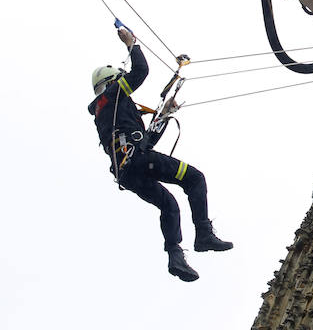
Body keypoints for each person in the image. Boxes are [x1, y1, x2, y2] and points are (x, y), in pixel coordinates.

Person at [89, 27, 232, 282]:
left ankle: (175, 256)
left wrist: (164, 114)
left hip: (129, 173)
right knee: (195, 179)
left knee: (168, 204)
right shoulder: (111, 97)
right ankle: (203, 233)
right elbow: (140, 72)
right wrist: (132, 44)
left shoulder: (110, 112)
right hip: (138, 162)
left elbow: (145, 141)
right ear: (112, 82)